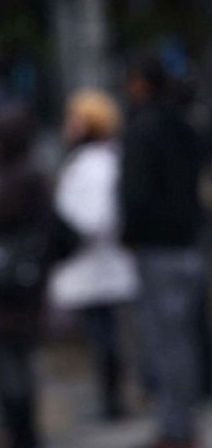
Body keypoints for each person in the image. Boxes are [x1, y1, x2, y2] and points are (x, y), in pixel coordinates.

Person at [119, 55, 206, 448]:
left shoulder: (143, 129)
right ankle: (181, 425)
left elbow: (135, 194)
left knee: (165, 345)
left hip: (157, 248)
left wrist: (130, 233)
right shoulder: (183, 125)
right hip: (186, 243)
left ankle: (176, 429)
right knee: (181, 340)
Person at [49, 90, 138, 422]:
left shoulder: (96, 163)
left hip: (96, 261)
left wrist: (70, 235)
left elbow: (97, 216)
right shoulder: (95, 160)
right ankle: (111, 398)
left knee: (105, 336)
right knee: (103, 334)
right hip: (95, 262)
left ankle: (113, 400)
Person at [0, 103, 52, 448]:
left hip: (13, 282)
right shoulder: (35, 175)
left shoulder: (18, 179)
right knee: (20, 358)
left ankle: (21, 430)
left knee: (12, 360)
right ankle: (24, 428)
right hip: (27, 282)